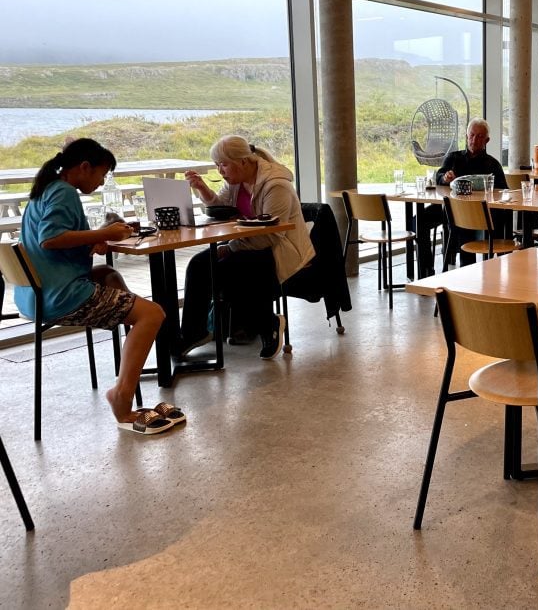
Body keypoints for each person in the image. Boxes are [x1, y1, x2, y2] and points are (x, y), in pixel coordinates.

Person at [13, 139, 172, 435]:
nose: (101, 183)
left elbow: (49, 245)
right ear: (85, 167)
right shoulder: (63, 192)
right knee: (154, 314)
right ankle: (122, 396)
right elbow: (51, 238)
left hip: (35, 294)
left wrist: (92, 242)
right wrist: (104, 232)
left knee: (109, 275)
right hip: (61, 296)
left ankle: (131, 344)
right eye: (101, 174)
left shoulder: (44, 190)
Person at [180, 136, 314, 359]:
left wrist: (231, 247)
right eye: (217, 165)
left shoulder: (276, 185)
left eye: (223, 164)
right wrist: (203, 189)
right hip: (249, 245)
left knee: (229, 269)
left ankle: (267, 322)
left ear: (243, 161)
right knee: (198, 264)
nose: (220, 171)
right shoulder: (236, 182)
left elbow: (272, 235)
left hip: (280, 249)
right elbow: (221, 208)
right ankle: (194, 331)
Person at [420, 119, 509, 268]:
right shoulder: (454, 158)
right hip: (448, 210)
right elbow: (439, 177)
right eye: (472, 135)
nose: (474, 140)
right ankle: (426, 271)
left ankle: (469, 272)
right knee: (418, 222)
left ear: (487, 140)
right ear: (466, 136)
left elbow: (503, 192)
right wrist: (445, 178)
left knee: (466, 228)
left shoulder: (492, 164)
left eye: (480, 136)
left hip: (479, 214)